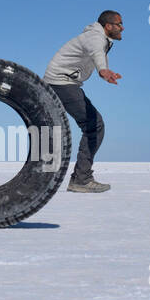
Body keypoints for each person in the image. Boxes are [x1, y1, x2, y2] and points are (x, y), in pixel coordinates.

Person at [43, 10, 123, 192]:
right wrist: (103, 70)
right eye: (119, 24)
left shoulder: (98, 38)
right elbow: (97, 53)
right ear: (108, 26)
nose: (122, 28)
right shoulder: (96, 38)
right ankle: (81, 179)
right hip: (61, 82)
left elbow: (98, 57)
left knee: (91, 125)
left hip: (65, 82)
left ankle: (80, 177)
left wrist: (105, 73)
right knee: (94, 125)